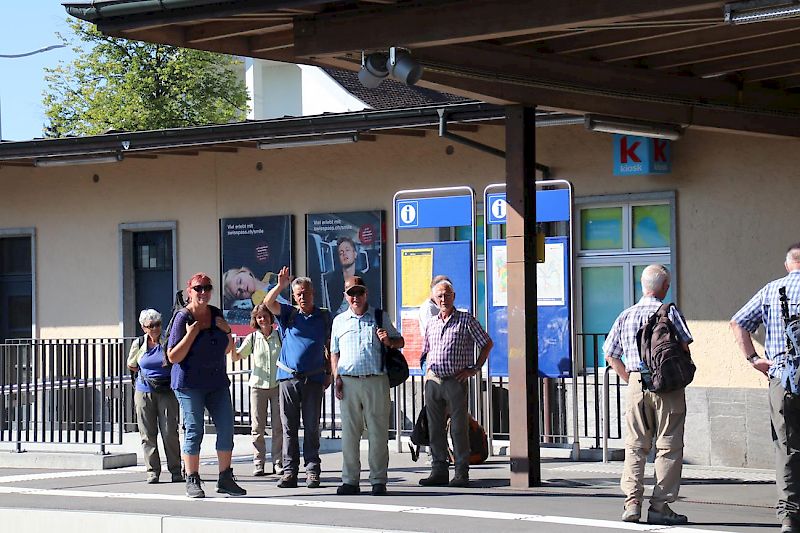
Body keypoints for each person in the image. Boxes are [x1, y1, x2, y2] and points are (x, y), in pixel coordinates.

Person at [603, 264, 692, 526]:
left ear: (643, 287)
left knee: (635, 445)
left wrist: (630, 379)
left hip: (636, 383)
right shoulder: (670, 312)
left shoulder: (626, 315)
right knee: (669, 446)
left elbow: (610, 354)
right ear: (664, 286)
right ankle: (660, 506)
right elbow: (685, 347)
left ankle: (632, 502)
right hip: (667, 387)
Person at [731, 243, 800, 533]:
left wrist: (754, 359)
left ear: (787, 265)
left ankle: (790, 517)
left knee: (787, 447)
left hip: (783, 378)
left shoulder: (772, 290)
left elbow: (738, 323)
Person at [167, 272, 246, 498]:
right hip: (189, 384)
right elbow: (173, 356)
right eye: (198, 288)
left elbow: (227, 349)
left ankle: (225, 478)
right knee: (194, 430)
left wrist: (228, 331)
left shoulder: (216, 313)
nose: (203, 292)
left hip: (216, 381)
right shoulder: (183, 317)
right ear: (189, 291)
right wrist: (191, 335)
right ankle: (192, 478)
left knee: (227, 428)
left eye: (207, 288)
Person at [331, 275, 404, 496]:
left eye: (359, 292)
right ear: (345, 296)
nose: (356, 297)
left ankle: (378, 480)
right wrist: (336, 377)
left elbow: (400, 341)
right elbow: (334, 352)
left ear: (366, 293)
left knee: (378, 433)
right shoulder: (339, 321)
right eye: (351, 293)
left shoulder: (380, 317)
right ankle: (350, 481)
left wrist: (388, 341)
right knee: (349, 434)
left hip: (376, 380)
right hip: (348, 382)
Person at [419, 278, 492, 488]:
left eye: (447, 295)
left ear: (454, 297)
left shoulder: (466, 320)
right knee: (435, 428)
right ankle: (439, 470)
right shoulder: (432, 322)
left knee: (458, 429)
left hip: (455, 380)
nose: (443, 299)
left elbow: (486, 343)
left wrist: (474, 368)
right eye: (439, 296)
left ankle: (461, 472)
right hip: (433, 380)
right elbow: (426, 350)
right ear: (434, 298)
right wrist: (427, 371)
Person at [263, 266, 332, 489]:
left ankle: (312, 470)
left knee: (311, 427)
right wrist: (280, 286)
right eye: (298, 294)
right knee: (289, 429)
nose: (303, 297)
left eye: (306, 293)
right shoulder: (288, 314)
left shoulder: (323, 316)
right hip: (288, 378)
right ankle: (289, 472)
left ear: (313, 293)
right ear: (294, 296)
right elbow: (267, 303)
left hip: (313, 379)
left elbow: (330, 345)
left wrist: (329, 372)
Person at [126, 308, 182, 484]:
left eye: (158, 324)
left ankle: (175, 470)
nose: (155, 328)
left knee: (169, 432)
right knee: (147, 433)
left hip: (166, 390)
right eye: (151, 326)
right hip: (144, 390)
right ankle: (152, 471)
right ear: (144, 327)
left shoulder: (168, 340)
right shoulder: (138, 343)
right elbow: (131, 364)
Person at [230, 303, 283, 476]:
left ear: (270, 317)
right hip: (258, 387)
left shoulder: (279, 335)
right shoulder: (252, 338)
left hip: (277, 385)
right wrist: (231, 344)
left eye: (265, 316)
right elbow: (237, 357)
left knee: (278, 427)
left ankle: (278, 462)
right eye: (259, 317)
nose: (262, 319)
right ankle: (259, 463)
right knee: (257, 427)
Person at [324, 236, 367, 315]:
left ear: (355, 254)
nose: (344, 254)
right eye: (341, 252)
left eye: (347, 250)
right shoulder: (332, 281)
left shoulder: (365, 279)